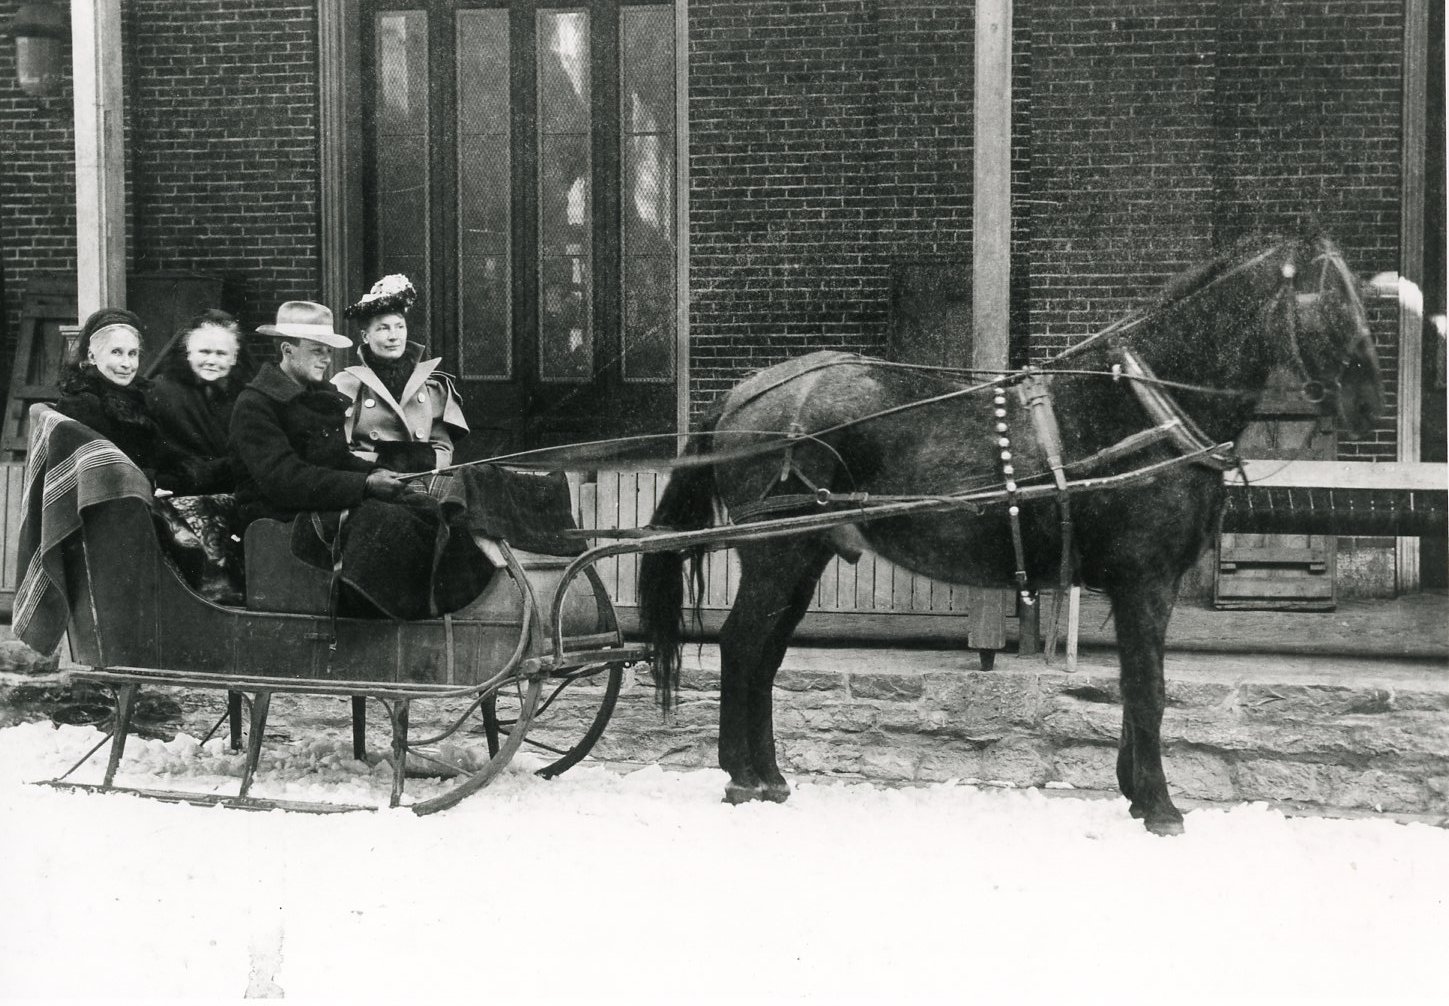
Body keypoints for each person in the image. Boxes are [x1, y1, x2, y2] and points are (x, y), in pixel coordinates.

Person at [230, 301, 487, 619]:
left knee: (426, 509)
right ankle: (384, 619)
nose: (326, 358)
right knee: (384, 521)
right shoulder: (255, 405)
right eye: (317, 349)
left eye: (328, 350)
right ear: (287, 349)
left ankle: (449, 610)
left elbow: (336, 459)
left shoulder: (319, 397)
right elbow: (284, 479)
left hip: (318, 503)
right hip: (278, 518)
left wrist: (377, 471)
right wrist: (366, 485)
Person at [332, 274, 467, 474]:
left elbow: (443, 448)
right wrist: (384, 462)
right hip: (370, 481)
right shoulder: (346, 385)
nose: (394, 336)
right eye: (383, 328)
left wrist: (419, 461)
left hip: (423, 478)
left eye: (400, 327)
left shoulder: (430, 384)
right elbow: (338, 452)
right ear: (365, 336)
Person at [147, 308, 249, 493]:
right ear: (188, 353)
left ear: (234, 358)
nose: (211, 360)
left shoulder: (245, 395)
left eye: (221, 354)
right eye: (204, 352)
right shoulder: (161, 392)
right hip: (181, 492)